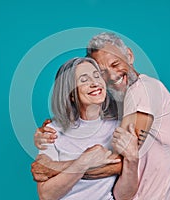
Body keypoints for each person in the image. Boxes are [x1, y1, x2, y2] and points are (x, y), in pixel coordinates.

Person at [32, 32, 170, 199]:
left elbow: (117, 164)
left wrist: (52, 168)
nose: (111, 76)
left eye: (115, 64)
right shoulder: (117, 107)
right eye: (101, 72)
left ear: (130, 56)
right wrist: (46, 132)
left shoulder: (145, 90)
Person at [35, 57, 139, 200]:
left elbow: (124, 196)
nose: (94, 83)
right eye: (84, 80)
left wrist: (132, 160)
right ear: (70, 94)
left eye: (97, 76)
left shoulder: (119, 127)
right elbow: (46, 195)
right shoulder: (51, 132)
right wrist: (83, 161)